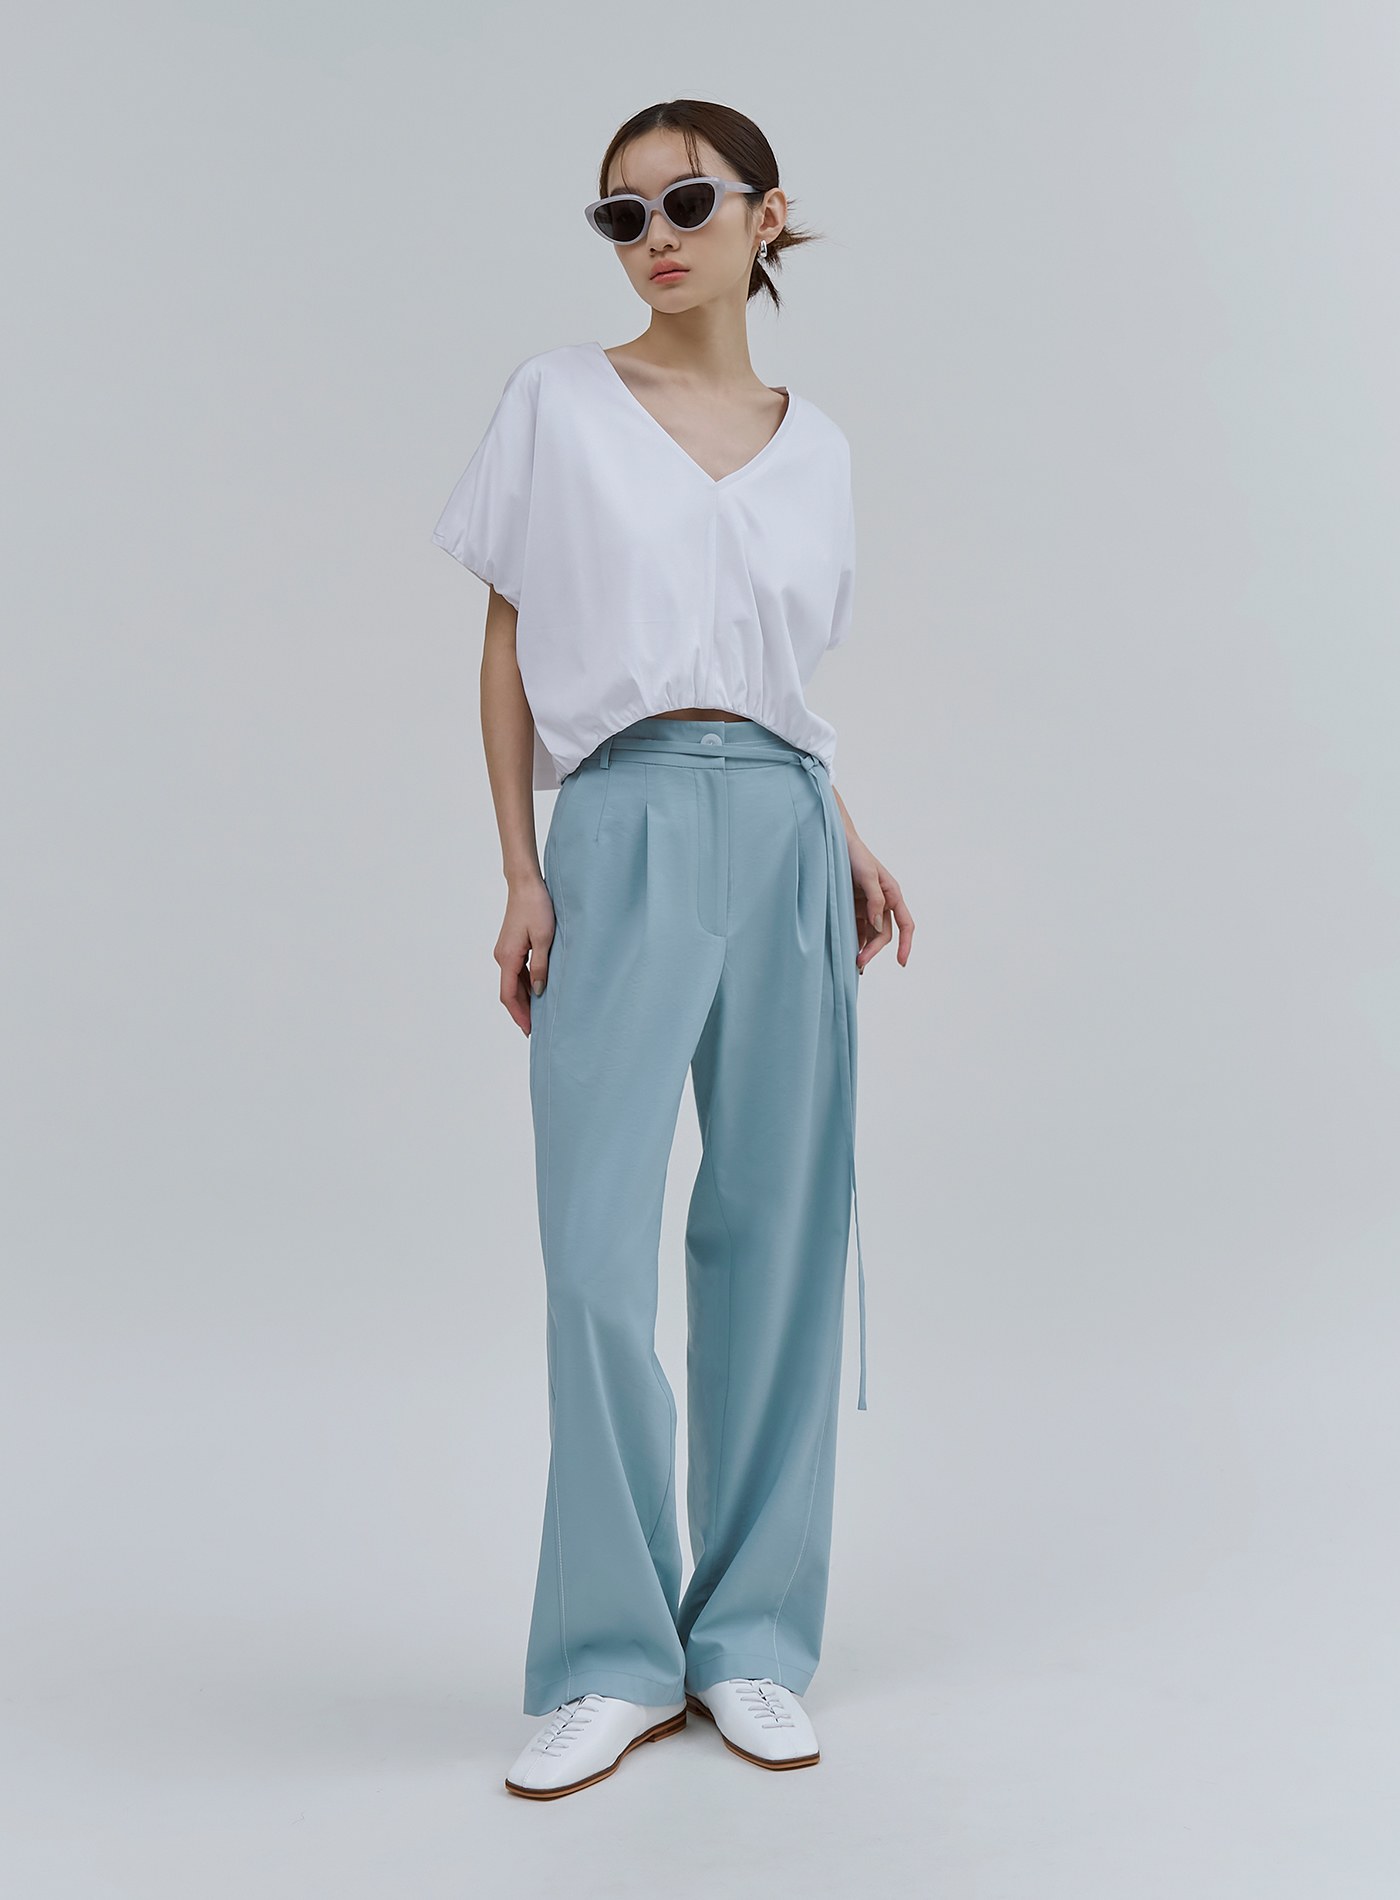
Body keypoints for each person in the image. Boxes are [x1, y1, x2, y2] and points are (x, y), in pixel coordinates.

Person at [432, 99, 913, 1800]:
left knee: (780, 1233)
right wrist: (520, 868)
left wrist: (845, 829)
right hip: (619, 824)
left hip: (783, 822)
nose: (655, 237)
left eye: (689, 202)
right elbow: (507, 647)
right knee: (592, 1253)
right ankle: (611, 1658)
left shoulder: (818, 444)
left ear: (769, 216)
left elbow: (778, 681)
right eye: (621, 214)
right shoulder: (559, 401)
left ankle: (754, 1641)